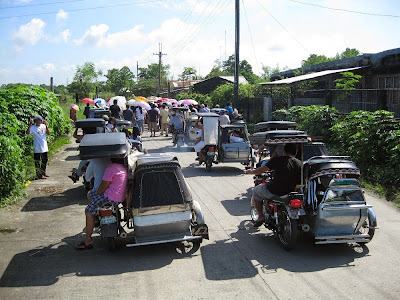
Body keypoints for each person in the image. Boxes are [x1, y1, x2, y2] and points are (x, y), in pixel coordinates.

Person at [75, 158, 128, 250]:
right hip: (120, 197)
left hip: (109, 197)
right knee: (90, 194)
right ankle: (95, 219)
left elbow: (103, 186)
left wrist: (97, 195)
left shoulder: (111, 168)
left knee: (88, 211)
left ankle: (88, 240)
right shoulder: (123, 167)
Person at [245, 143, 302, 227]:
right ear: (296, 152)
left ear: (284, 151)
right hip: (291, 191)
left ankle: (260, 216)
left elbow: (260, 170)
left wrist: (250, 172)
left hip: (275, 190)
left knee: (256, 191)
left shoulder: (278, 160)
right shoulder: (299, 163)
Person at [26, 115, 50, 180]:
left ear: (41, 121)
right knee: (37, 161)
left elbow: (48, 133)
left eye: (39, 120)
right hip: (37, 146)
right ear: (35, 121)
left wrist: (46, 126)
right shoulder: (33, 127)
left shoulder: (43, 126)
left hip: (44, 145)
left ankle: (43, 172)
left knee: (45, 160)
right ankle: (39, 175)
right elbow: (27, 133)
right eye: (37, 120)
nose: (38, 121)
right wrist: (30, 124)